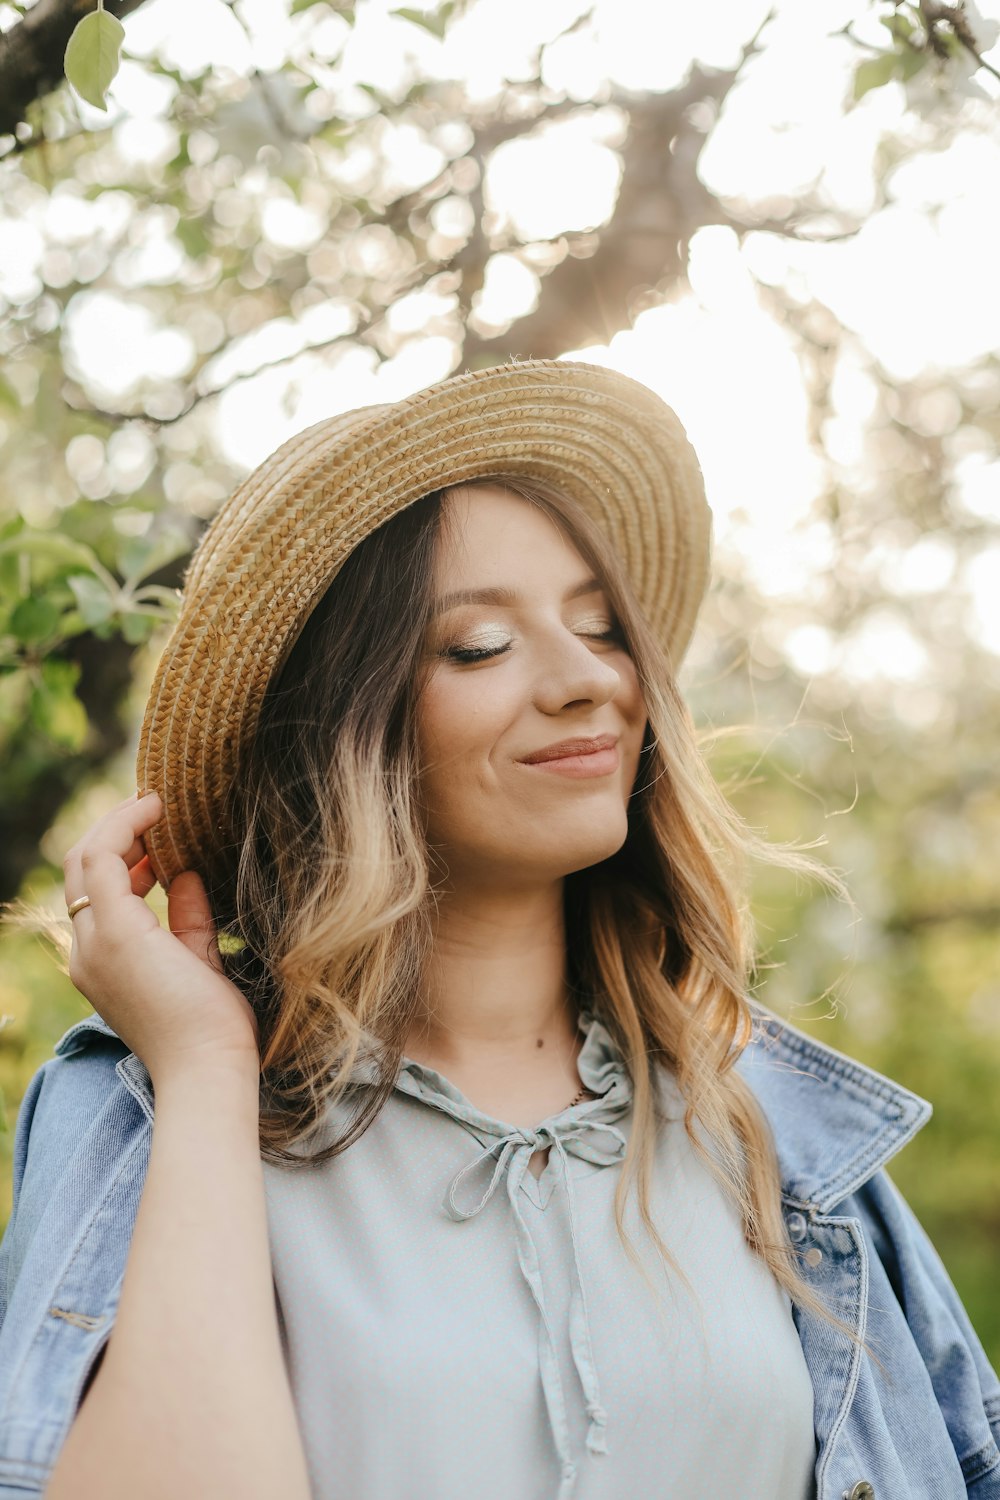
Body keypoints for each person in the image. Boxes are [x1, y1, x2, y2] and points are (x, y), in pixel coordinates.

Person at [0, 360, 996, 1500]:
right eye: (478, 645)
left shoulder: (782, 1136)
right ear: (338, 728)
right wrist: (205, 1066)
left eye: (602, 627)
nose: (587, 681)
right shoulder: (150, 1113)